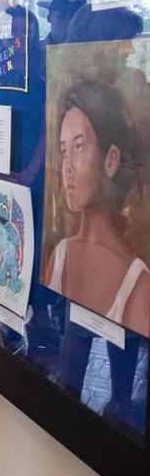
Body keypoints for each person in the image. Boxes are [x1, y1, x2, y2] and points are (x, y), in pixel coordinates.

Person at [44, 79, 149, 337]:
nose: (66, 166)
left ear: (111, 160)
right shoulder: (60, 256)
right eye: (63, 151)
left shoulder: (138, 285)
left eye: (78, 147)